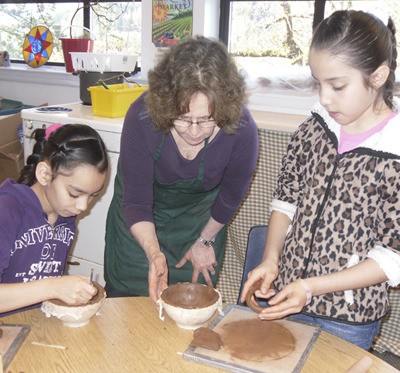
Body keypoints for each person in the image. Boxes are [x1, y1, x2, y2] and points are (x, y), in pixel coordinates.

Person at [241, 10, 400, 350]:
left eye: (337, 85)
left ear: (378, 76)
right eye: (318, 83)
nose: (325, 98)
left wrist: (312, 287)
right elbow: (286, 201)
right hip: (290, 296)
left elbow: (392, 258)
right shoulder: (315, 129)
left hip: (349, 317)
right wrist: (271, 259)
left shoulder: (395, 154)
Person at [104, 35, 259, 303]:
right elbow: (137, 202)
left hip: (200, 226)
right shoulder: (142, 117)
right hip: (138, 227)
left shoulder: (241, 128)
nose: (195, 131)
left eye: (208, 119)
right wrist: (154, 253)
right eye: (184, 119)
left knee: (191, 311)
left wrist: (205, 241)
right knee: (128, 311)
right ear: (166, 107)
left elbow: (230, 197)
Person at [0, 123, 109, 316]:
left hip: (38, 324)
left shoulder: (65, 214)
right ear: (44, 174)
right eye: (74, 193)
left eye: (93, 195)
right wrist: (52, 287)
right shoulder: (7, 210)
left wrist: (70, 289)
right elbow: (47, 286)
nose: (83, 206)